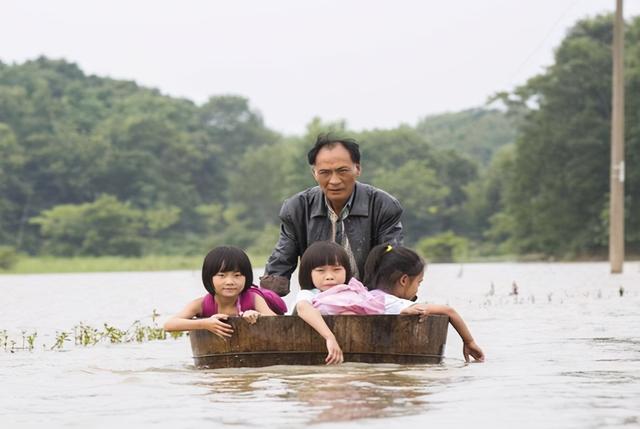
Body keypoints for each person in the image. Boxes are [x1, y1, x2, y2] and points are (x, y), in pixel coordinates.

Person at [261, 134, 404, 296]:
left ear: (357, 169)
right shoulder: (297, 209)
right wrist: (266, 304)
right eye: (325, 173)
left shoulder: (383, 205)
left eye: (342, 171)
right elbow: (279, 266)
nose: (334, 181)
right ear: (314, 173)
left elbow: (394, 265)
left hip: (369, 302)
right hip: (316, 303)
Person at [364, 244, 485, 363]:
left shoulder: (365, 296)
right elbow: (449, 311)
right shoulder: (397, 304)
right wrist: (469, 342)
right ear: (404, 280)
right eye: (419, 282)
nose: (417, 288)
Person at [164, 246, 286, 338]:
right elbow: (169, 325)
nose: (230, 282)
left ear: (246, 277)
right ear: (209, 278)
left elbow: (276, 321)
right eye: (221, 275)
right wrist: (205, 323)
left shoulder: (253, 298)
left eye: (237, 275)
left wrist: (257, 315)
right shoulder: (201, 304)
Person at [295, 242, 385, 365]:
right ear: (308, 273)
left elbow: (380, 303)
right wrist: (329, 337)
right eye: (321, 271)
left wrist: (406, 308)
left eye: (337, 270)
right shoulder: (310, 294)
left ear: (346, 271)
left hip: (357, 349)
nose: (329, 276)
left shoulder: (353, 292)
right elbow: (302, 308)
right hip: (319, 349)